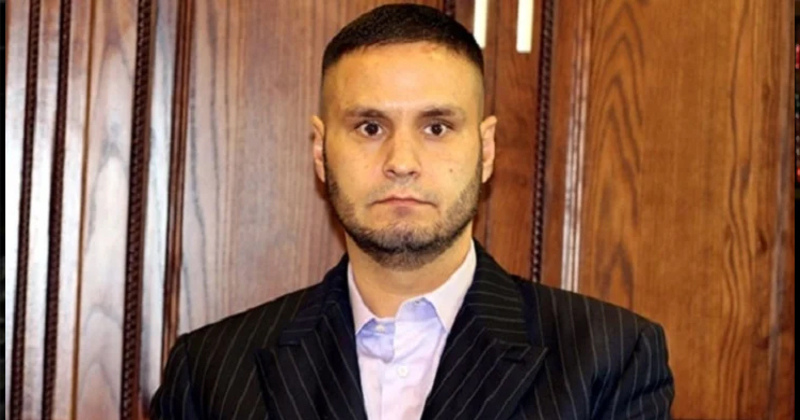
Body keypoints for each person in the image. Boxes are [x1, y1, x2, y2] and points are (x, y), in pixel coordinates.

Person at [151, 4, 674, 419]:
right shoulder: (211, 372)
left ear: (487, 149)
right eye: (370, 127)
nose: (401, 162)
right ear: (320, 151)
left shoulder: (610, 359)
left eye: (437, 127)